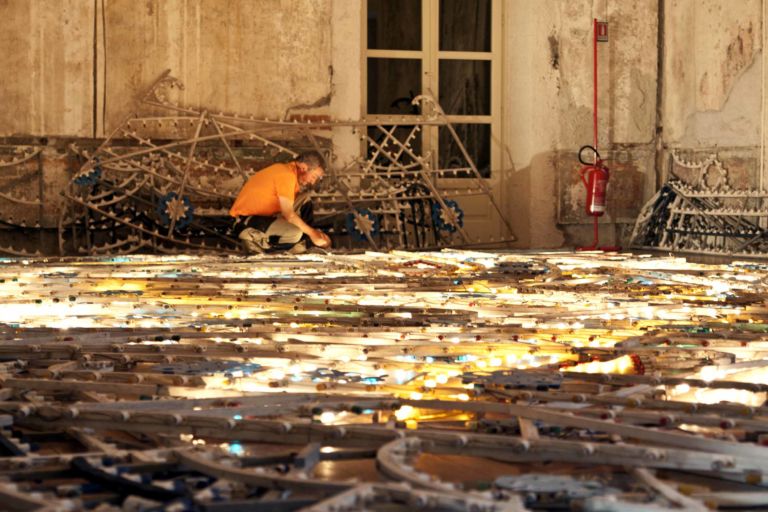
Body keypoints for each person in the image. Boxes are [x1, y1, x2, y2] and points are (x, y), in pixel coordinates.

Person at [230, 151, 331, 253]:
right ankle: (259, 245)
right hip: (245, 222)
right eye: (314, 176)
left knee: (305, 200)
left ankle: (305, 243)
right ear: (303, 167)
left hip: (264, 217)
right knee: (295, 232)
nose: (313, 182)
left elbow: (288, 212)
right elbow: (289, 215)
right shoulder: (286, 175)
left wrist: (314, 235)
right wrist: (313, 233)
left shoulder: (287, 172)